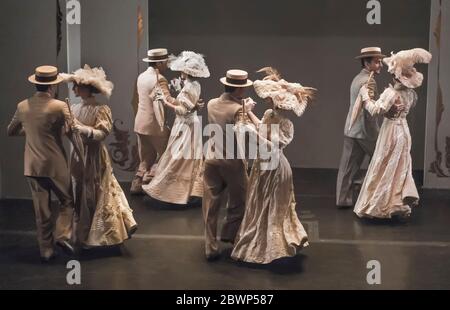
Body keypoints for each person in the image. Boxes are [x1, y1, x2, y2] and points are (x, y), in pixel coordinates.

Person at [231, 67, 313, 264]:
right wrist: (247, 114)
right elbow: (262, 127)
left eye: (272, 98)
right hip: (262, 164)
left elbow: (274, 146)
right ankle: (260, 241)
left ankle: (275, 247)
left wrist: (252, 134)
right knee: (259, 201)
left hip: (276, 166)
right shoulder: (269, 114)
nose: (268, 100)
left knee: (275, 205)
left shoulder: (286, 125)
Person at [62, 65, 137, 248]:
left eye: (78, 86)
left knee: (96, 189)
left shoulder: (101, 108)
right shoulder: (74, 107)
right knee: (79, 189)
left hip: (94, 154)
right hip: (79, 154)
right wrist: (70, 130)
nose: (75, 89)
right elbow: (70, 131)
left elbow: (102, 133)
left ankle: (100, 232)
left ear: (88, 88)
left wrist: (84, 129)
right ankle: (82, 231)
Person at [7, 65, 77, 261]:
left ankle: (46, 250)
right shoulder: (60, 106)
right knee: (67, 202)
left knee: (42, 211)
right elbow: (72, 132)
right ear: (53, 86)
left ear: (36, 83)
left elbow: (10, 131)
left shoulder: (22, 106)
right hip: (55, 164)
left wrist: (31, 132)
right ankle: (63, 235)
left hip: (32, 166)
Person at [354, 48, 432, 219]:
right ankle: (397, 204)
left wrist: (365, 96)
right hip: (404, 131)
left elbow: (375, 110)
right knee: (398, 167)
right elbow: (399, 110)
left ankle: (382, 206)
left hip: (391, 132)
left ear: (395, 75)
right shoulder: (410, 94)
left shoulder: (391, 93)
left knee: (385, 166)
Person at [143, 51, 209, 205]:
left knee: (178, 156)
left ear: (186, 72)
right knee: (187, 157)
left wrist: (165, 101)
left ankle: (172, 193)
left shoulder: (188, 88)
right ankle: (190, 191)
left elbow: (182, 110)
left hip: (185, 125)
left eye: (182, 71)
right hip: (191, 124)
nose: (180, 73)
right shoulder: (194, 84)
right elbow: (190, 106)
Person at [336, 47, 400, 207]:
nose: (380, 65)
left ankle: (342, 200)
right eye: (377, 62)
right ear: (367, 62)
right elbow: (369, 110)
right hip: (365, 132)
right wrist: (387, 109)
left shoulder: (357, 78)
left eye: (380, 62)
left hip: (351, 130)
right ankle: (362, 183)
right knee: (383, 158)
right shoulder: (369, 81)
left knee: (347, 168)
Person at [202, 69, 255, 261]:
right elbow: (246, 131)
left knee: (210, 205)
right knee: (241, 200)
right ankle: (230, 235)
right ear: (239, 90)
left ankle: (210, 246)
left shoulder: (211, 104)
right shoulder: (238, 109)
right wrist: (248, 111)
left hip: (211, 160)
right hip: (232, 162)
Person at [131, 48, 175, 194]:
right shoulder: (159, 79)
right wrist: (185, 102)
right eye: (166, 61)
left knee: (146, 157)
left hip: (140, 124)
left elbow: (136, 100)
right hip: (155, 125)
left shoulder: (141, 77)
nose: (167, 64)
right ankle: (150, 184)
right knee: (164, 155)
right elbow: (167, 100)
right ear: (160, 63)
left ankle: (137, 185)